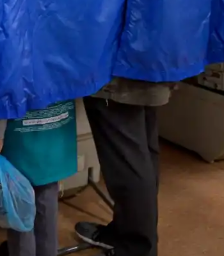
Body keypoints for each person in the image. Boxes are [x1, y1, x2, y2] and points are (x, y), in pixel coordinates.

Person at [74, 78, 174, 256]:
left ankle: (135, 248)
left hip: (118, 75)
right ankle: (128, 232)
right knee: (143, 152)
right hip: (151, 65)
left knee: (128, 162)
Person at [0, 101, 78, 256]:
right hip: (55, 128)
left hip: (20, 137)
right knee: (47, 203)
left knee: (20, 207)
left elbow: (5, 88)